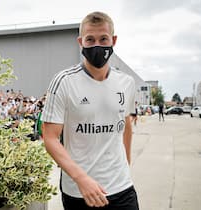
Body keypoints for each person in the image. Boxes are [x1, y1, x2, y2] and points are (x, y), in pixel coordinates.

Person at [41, 11, 139, 210]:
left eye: (103, 39)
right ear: (80, 42)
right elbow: (50, 138)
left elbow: (126, 125)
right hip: (80, 192)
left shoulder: (126, 83)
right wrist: (81, 179)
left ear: (114, 40)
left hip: (122, 187)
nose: (97, 45)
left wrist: (126, 164)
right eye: (90, 39)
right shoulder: (64, 82)